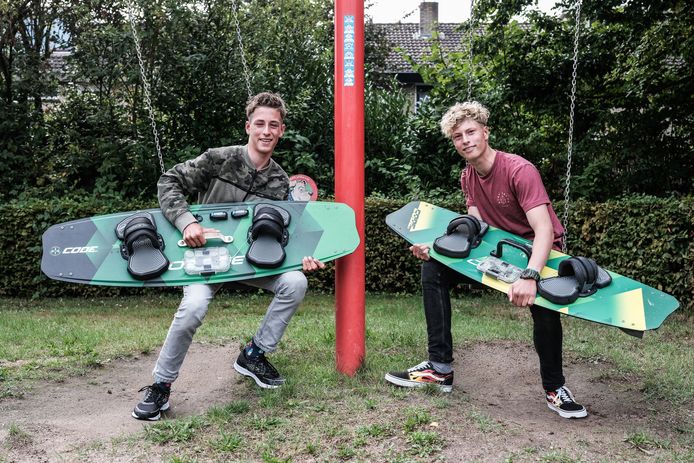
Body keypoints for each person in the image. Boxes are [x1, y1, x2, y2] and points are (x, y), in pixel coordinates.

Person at [384, 101, 588, 419]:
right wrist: (435, 248)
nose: (465, 140)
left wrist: (531, 276)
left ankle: (555, 389)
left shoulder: (520, 170)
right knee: (433, 269)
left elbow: (544, 230)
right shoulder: (468, 177)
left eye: (470, 132)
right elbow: (476, 228)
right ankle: (439, 369)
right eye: (457, 136)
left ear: (485, 132)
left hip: (540, 254)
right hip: (501, 253)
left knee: (545, 311)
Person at [132, 92, 325, 421]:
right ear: (249, 126)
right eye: (260, 123)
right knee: (192, 307)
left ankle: (254, 353)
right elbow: (170, 182)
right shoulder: (220, 159)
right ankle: (161, 386)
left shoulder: (280, 181)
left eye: (273, 125)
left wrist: (303, 258)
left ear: (281, 131)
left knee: (295, 281)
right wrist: (186, 222)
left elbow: (284, 234)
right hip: (206, 256)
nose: (266, 131)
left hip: (251, 260)